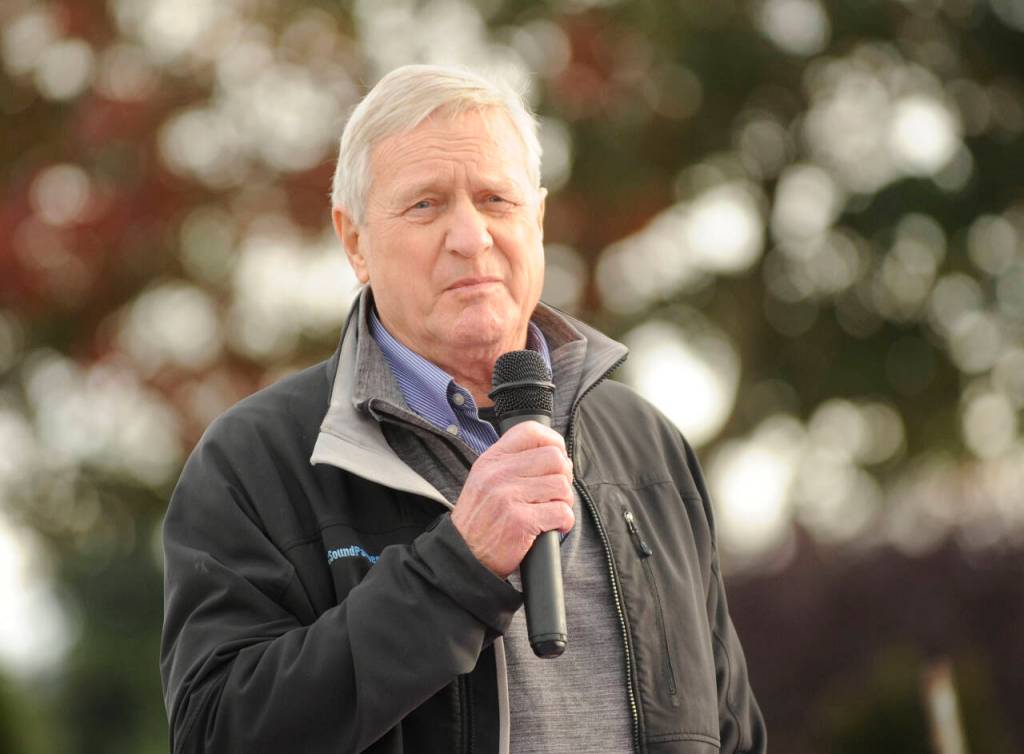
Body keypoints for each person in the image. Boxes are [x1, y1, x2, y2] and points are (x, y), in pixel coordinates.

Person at [160, 64, 766, 754]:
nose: (470, 236)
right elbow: (217, 734)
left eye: (496, 200)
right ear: (354, 240)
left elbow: (731, 729)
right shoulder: (256, 460)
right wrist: (455, 571)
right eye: (425, 204)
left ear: (536, 218)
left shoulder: (647, 446)